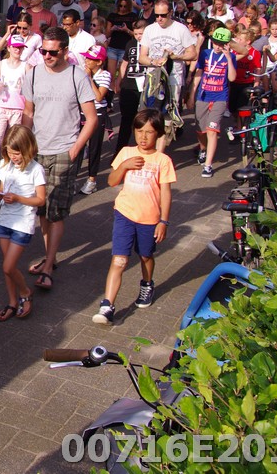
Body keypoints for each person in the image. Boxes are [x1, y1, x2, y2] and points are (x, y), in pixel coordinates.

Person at [22, 27, 97, 291]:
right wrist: (23, 146)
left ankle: (49, 266)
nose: (47, 56)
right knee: (42, 209)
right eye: (43, 51)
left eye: (52, 52)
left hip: (64, 150)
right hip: (37, 151)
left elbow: (91, 119)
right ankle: (49, 257)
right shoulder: (32, 75)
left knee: (56, 212)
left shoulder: (77, 75)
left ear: (65, 51)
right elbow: (28, 113)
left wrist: (75, 149)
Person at [92, 109, 174, 324]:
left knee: (146, 256)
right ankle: (107, 305)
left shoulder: (162, 160)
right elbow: (111, 181)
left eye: (149, 132)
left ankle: (147, 284)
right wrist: (124, 166)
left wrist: (163, 221)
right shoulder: (126, 152)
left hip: (149, 219)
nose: (143, 137)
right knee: (119, 259)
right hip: (124, 214)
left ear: (158, 133)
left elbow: (166, 193)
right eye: (139, 131)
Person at [0, 125, 46, 323]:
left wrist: (17, 198)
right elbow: (3, 189)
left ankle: (25, 293)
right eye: (9, 152)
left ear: (27, 148)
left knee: (8, 267)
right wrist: (0, 196)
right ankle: (12, 301)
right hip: (5, 219)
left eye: (17, 153)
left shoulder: (36, 169)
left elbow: (41, 200)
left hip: (23, 223)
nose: (13, 157)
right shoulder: (5, 166)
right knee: (8, 266)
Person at [191, 27, 237, 178]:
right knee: (200, 129)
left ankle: (208, 165)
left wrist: (228, 57)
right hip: (203, 96)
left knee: (212, 130)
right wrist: (191, 94)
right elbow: (198, 73)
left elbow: (232, 78)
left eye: (222, 44)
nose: (218, 46)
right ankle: (203, 149)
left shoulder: (231, 57)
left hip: (220, 97)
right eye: (216, 43)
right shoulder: (205, 54)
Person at [0, 34, 28, 174]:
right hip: (0, 106)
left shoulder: (26, 66)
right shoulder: (1, 64)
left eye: (20, 47)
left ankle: (12, 170)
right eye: (15, 47)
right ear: (9, 48)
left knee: (14, 141)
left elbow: (30, 88)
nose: (17, 50)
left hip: (18, 107)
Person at [113, 20, 148, 158]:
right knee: (126, 119)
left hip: (145, 85)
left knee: (145, 119)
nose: (138, 36)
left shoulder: (151, 44)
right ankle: (120, 151)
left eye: (141, 33)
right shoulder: (130, 43)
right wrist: (118, 81)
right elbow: (124, 63)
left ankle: (145, 151)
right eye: (136, 33)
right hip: (129, 84)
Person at [78, 45, 111, 195]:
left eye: (90, 59)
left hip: (97, 114)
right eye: (86, 57)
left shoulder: (105, 75)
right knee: (78, 146)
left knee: (94, 148)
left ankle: (92, 180)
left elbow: (99, 97)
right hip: (82, 113)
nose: (86, 61)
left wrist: (89, 78)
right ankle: (73, 177)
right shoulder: (81, 72)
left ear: (99, 61)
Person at [105, 0, 137, 82]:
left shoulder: (132, 16)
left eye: (125, 6)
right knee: (111, 75)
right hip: (113, 47)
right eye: (120, 6)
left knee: (121, 76)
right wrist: (112, 29)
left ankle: (118, 89)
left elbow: (136, 34)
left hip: (125, 48)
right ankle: (111, 89)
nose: (122, 8)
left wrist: (126, 30)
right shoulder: (112, 16)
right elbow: (107, 35)